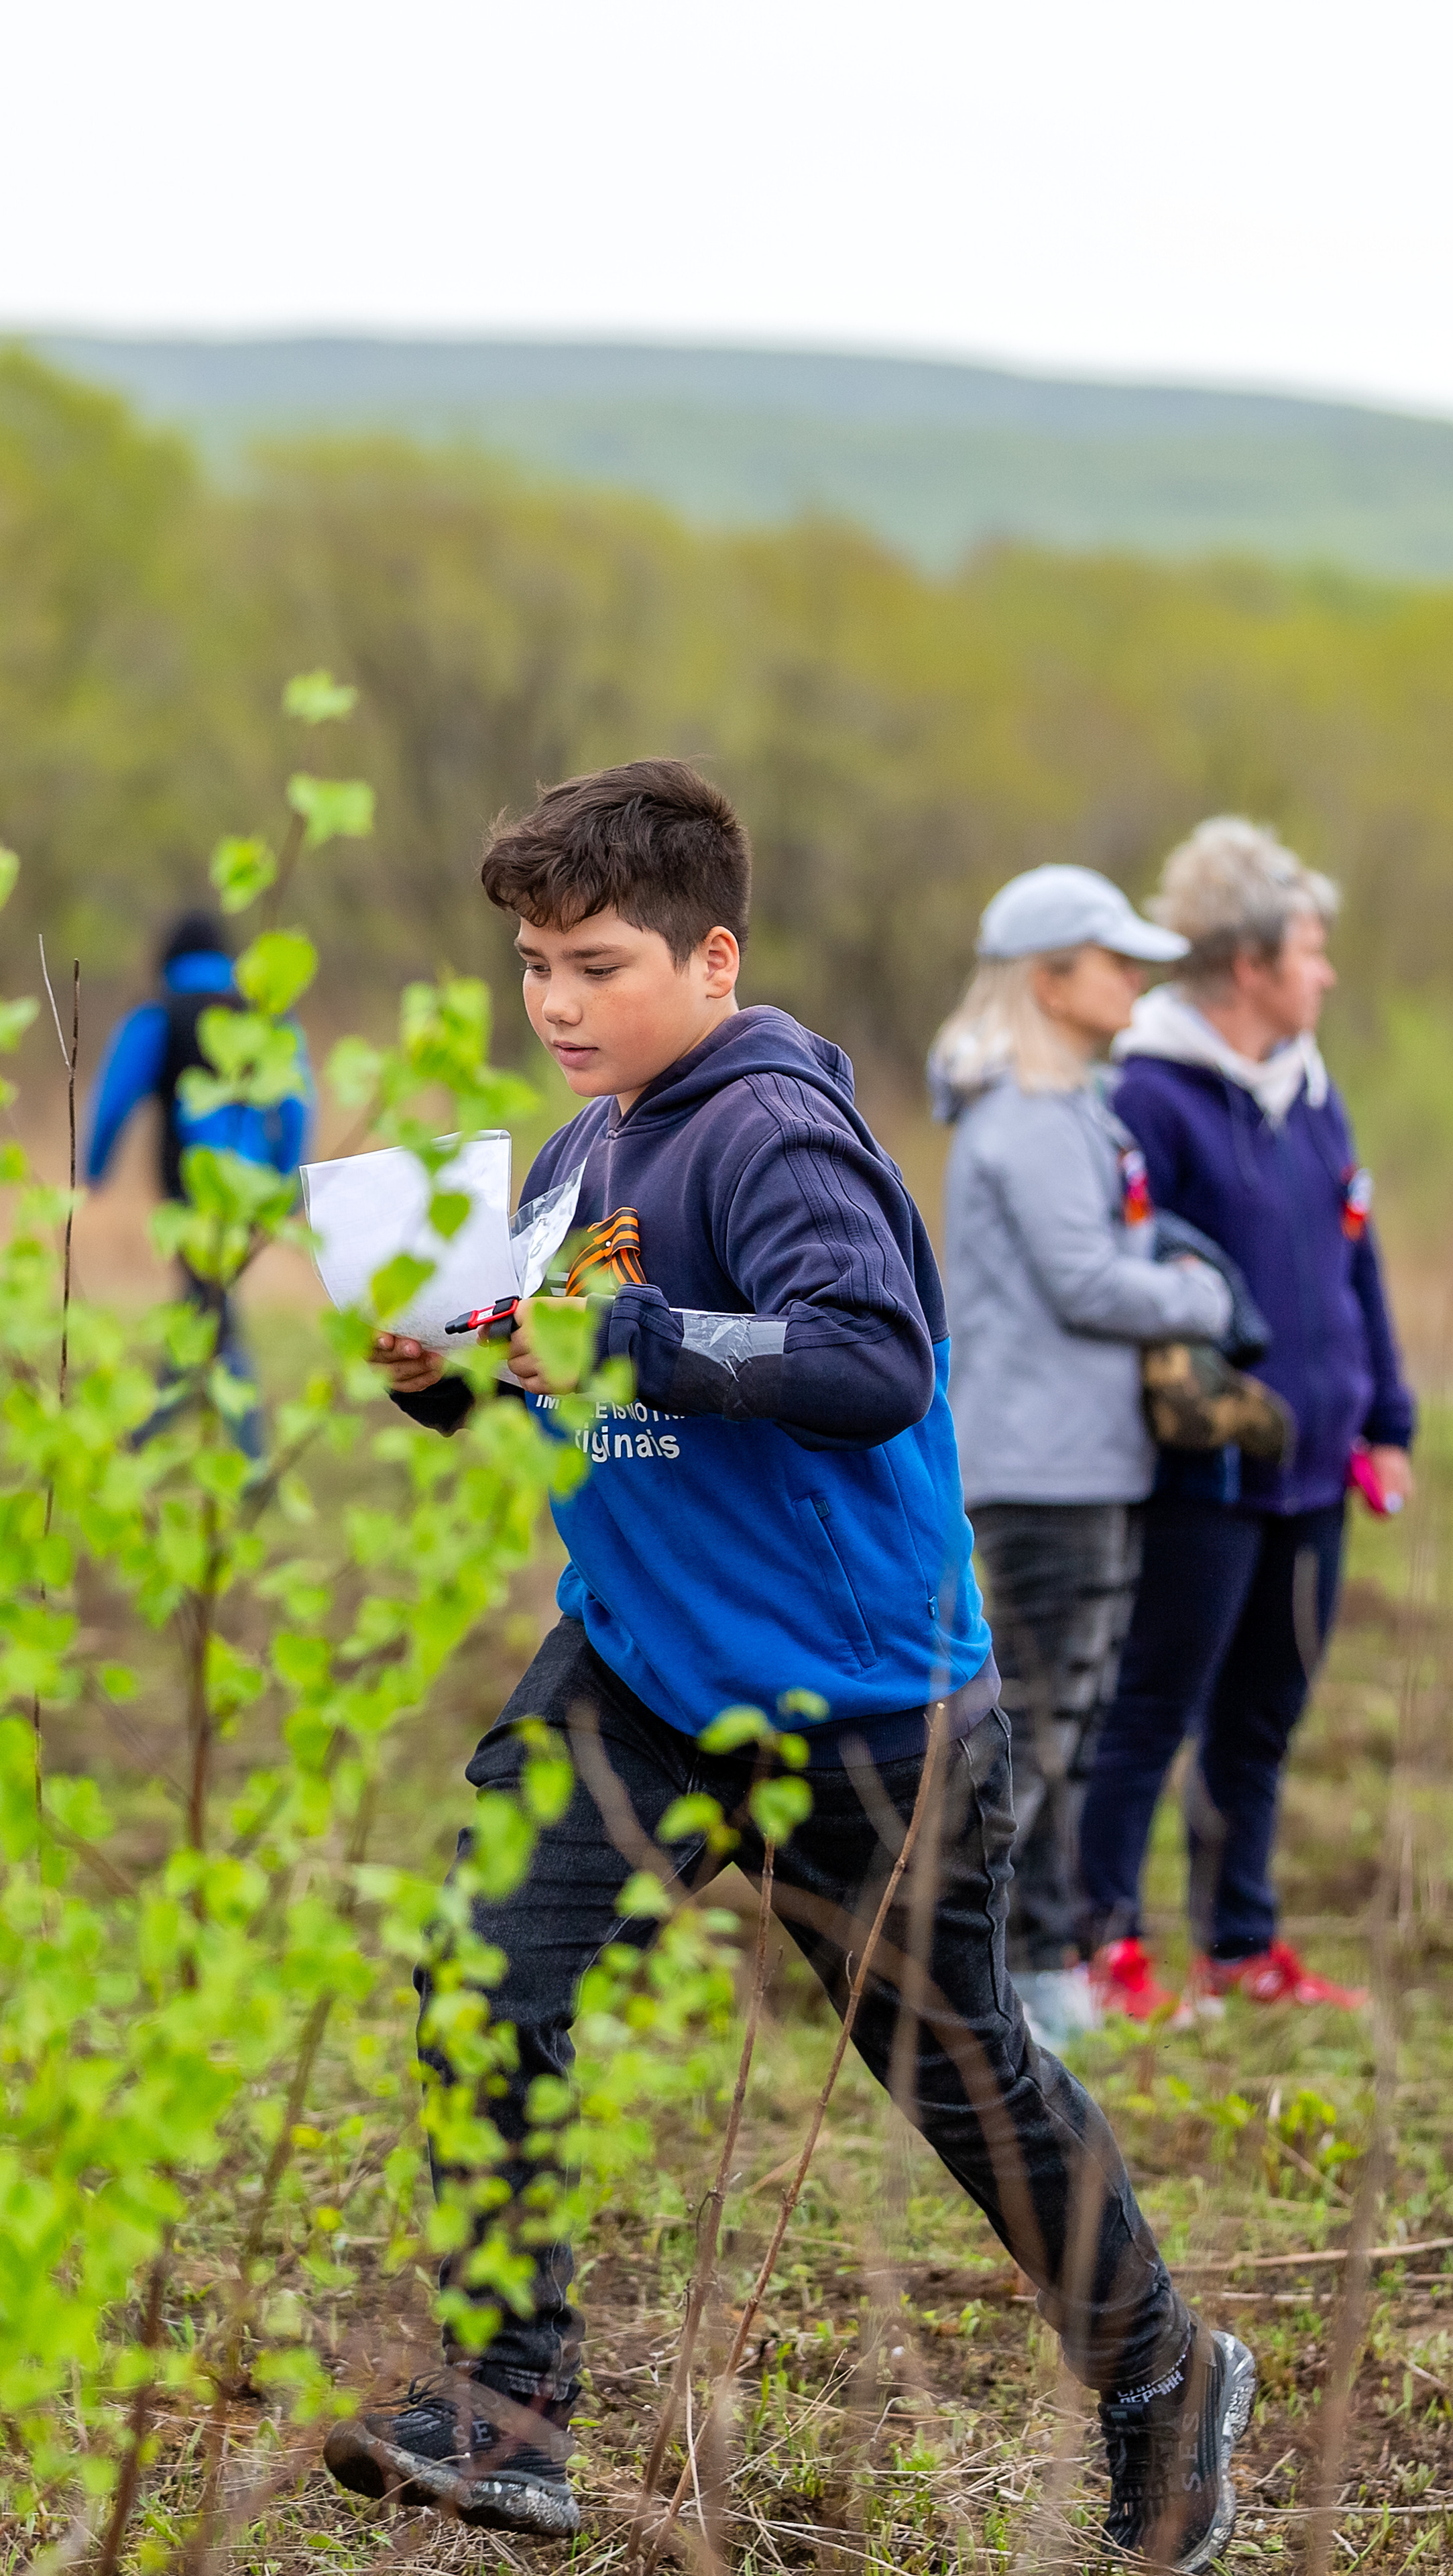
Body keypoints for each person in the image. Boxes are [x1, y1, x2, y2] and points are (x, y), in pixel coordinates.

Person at [327, 763, 1253, 2569]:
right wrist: (443, 1365)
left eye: (596, 963)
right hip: (644, 1675)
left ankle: (1160, 2372)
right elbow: (583, 1359)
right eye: (534, 965)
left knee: (961, 2074)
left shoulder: (770, 1133)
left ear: (711, 954)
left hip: (865, 1707)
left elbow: (870, 1359)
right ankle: (507, 2413)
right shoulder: (586, 1147)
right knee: (483, 1964)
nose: (558, 1002)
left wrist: (631, 1332)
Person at [1079, 819, 1414, 2016]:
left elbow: (1355, 1263)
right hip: (1204, 1472)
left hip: (1318, 1466)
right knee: (1151, 1704)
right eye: (1312, 952)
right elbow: (1131, 1272)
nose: (1326, 974)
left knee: (1265, 1715)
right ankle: (1104, 1947)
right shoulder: (1149, 1095)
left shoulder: (1315, 1096)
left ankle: (1242, 1946)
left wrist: (1386, 1419)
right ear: (1254, 964)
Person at [930, 866, 1237, 2048]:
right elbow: (1087, 1280)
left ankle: (1043, 1965)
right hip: (1041, 1470)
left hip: (1086, 1462)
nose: (1137, 982)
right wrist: (1204, 1300)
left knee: (1071, 1722)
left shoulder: (1071, 1107)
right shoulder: (1026, 1118)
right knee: (1040, 1735)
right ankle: (1009, 1980)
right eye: (1115, 962)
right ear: (1050, 982)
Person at [85, 909, 315, 1458]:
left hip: (190, 1188)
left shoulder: (156, 1015)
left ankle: (228, 1445)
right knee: (206, 1302)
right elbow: (300, 1101)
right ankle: (161, 1423)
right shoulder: (267, 1013)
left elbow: (112, 1098)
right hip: (253, 1187)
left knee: (209, 1305)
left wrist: (93, 1172)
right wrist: (286, 1182)